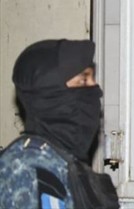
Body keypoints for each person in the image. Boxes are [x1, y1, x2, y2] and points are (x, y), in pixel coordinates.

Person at [0, 39, 120, 209]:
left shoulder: (60, 161)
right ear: (48, 96)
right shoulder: (31, 171)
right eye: (83, 81)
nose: (96, 92)